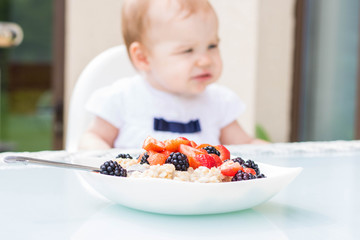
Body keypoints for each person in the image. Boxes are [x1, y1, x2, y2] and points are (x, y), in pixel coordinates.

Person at [79, 0, 267, 150]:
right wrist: (99, 155)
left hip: (202, 196)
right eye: (187, 50)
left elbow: (246, 147)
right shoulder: (121, 99)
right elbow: (93, 137)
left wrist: (271, 152)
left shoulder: (219, 103)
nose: (205, 61)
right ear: (143, 58)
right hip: (136, 194)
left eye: (212, 46)